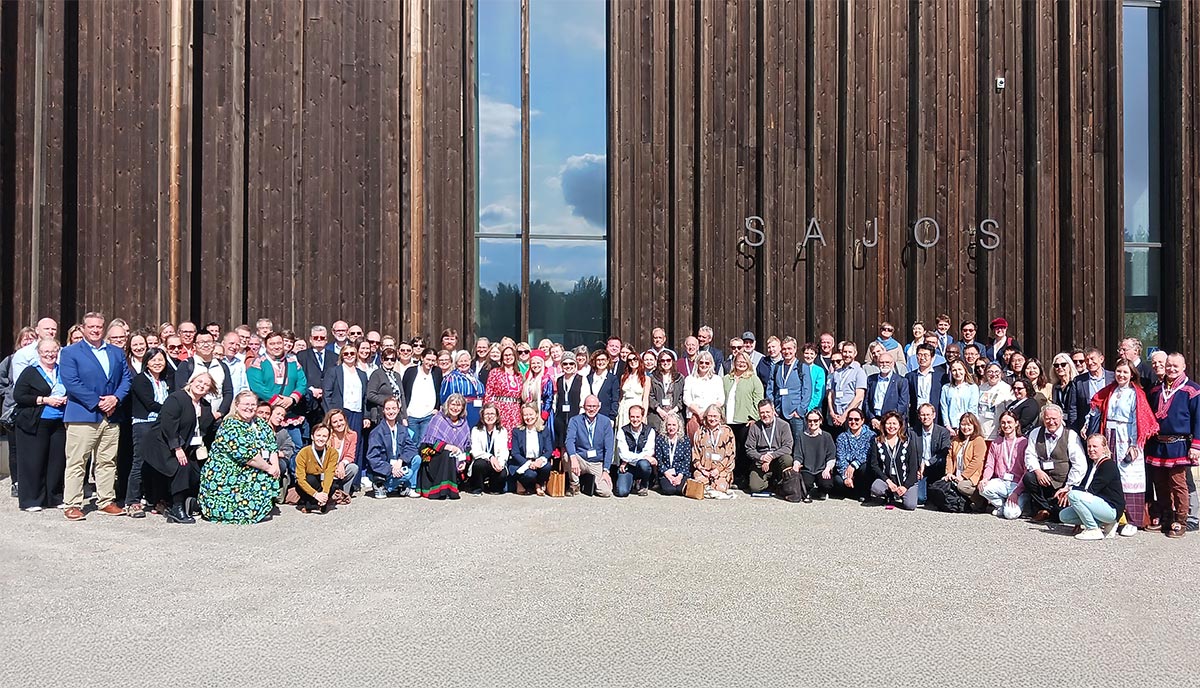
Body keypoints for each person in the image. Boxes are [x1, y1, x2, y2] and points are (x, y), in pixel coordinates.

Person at [58, 312, 133, 521]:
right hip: (83, 414)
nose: (95, 330)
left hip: (111, 415)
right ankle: (72, 503)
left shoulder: (116, 353)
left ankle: (106, 500)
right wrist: (98, 402)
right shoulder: (71, 352)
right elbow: (71, 382)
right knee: (77, 461)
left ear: (104, 328)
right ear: (83, 328)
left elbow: (126, 379)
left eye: (99, 326)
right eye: (91, 326)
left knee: (107, 460)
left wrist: (115, 399)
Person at [1087, 360, 1157, 536]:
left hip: (1127, 437)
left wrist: (1134, 444)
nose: (1121, 375)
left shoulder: (1136, 394)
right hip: (1109, 434)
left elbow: (1138, 419)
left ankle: (1132, 520)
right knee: (1109, 474)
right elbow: (1096, 405)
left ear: (1132, 374)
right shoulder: (1110, 390)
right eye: (1118, 371)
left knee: (1128, 477)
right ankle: (1112, 516)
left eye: (1125, 372)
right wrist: (1087, 423)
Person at [142, 374, 217, 524]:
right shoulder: (177, 398)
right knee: (182, 467)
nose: (201, 385)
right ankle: (177, 507)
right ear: (191, 381)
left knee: (198, 470)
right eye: (199, 381)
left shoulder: (205, 406)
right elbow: (168, 425)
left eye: (206, 384)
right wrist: (177, 448)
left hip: (188, 446)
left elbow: (207, 428)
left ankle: (191, 501)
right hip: (163, 444)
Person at [198, 391, 282, 524]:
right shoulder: (230, 425)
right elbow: (247, 456)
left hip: (255, 463)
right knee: (259, 473)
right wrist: (269, 468)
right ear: (237, 405)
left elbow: (271, 446)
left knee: (268, 471)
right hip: (228, 469)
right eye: (246, 404)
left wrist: (275, 465)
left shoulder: (260, 423)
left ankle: (259, 508)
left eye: (253, 404)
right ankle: (243, 511)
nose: (249, 407)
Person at [1144, 353, 1200, 538]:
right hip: (1158, 444)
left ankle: (1181, 520)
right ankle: (1166, 517)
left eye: (1175, 366)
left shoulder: (1192, 390)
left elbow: (1198, 420)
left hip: (1179, 444)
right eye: (1169, 365)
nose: (1171, 369)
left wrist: (1196, 446)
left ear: (1184, 367)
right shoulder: (1155, 391)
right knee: (1160, 484)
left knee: (1178, 484)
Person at [11, 338, 68, 511]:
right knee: (33, 461)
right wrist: (44, 400)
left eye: (53, 351)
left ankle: (54, 497)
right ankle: (31, 500)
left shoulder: (63, 371)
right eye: (46, 352)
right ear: (39, 353)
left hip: (58, 422)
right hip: (34, 422)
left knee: (56, 461)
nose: (50, 355)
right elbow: (19, 396)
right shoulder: (30, 372)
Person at [125, 347, 174, 517]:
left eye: (161, 360)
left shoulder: (167, 379)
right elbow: (149, 403)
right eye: (153, 360)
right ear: (147, 362)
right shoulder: (140, 380)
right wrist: (170, 410)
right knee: (140, 462)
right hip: (144, 424)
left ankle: (158, 500)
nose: (157, 363)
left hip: (162, 424)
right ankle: (132, 501)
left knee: (160, 463)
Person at [1022, 404, 1087, 523]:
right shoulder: (1035, 433)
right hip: (1044, 481)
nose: (1051, 422)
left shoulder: (1071, 435)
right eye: (1047, 418)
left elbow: (1080, 464)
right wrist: (1038, 471)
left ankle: (1052, 510)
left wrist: (1068, 487)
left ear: (1061, 418)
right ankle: (1044, 509)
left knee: (1060, 517)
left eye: (1054, 419)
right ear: (1043, 418)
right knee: (1029, 477)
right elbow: (1029, 455)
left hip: (1062, 483)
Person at [245, 331, 307, 446]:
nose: (276, 346)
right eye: (272, 344)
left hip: (289, 412)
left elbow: (302, 382)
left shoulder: (293, 361)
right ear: (265, 345)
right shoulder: (258, 363)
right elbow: (257, 386)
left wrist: (292, 399)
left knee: (296, 446)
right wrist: (275, 401)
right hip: (267, 413)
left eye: (279, 343)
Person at [1059, 435, 1126, 540]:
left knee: (1073, 495)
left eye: (1095, 446)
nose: (1091, 450)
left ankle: (1093, 529)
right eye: (1089, 447)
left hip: (1112, 509)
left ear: (1104, 448)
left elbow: (1091, 490)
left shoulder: (1108, 465)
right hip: (1098, 505)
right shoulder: (1093, 464)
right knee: (1064, 515)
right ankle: (1104, 524)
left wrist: (1069, 489)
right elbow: (1086, 488)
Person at [416, 393, 472, 500]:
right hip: (435, 457)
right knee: (448, 454)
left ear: (463, 407)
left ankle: (450, 488)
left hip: (456, 459)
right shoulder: (438, 418)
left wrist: (463, 460)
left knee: (452, 456)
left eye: (458, 405)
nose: (455, 408)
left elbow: (467, 445)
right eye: (453, 404)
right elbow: (430, 441)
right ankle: (442, 490)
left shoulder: (464, 422)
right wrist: (449, 447)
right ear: (448, 405)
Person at [323, 342, 370, 463]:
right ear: (342, 355)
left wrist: (366, 416)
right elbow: (327, 393)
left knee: (356, 444)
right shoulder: (334, 371)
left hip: (357, 413)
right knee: (339, 443)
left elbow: (365, 397)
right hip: (341, 412)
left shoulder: (362, 374)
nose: (349, 356)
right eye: (346, 353)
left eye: (352, 353)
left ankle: (355, 478)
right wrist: (331, 414)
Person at [722, 351, 764, 488]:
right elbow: (721, 399)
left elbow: (758, 400)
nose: (741, 364)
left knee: (743, 451)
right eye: (738, 361)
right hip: (728, 420)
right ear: (734, 362)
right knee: (729, 450)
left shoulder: (753, 379)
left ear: (748, 363)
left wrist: (753, 417)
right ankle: (730, 476)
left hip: (744, 421)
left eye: (744, 362)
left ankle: (743, 477)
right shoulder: (726, 379)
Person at [364, 397, 419, 498]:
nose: (391, 412)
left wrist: (401, 460)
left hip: (398, 463)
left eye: (394, 408)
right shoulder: (377, 432)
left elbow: (412, 448)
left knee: (417, 459)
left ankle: (409, 487)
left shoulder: (402, 429)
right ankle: (382, 486)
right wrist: (390, 469)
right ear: (383, 411)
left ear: (398, 410)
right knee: (408, 473)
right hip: (383, 468)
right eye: (388, 409)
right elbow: (373, 458)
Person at [978, 410, 1029, 519]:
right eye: (1003, 423)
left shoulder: (1024, 442)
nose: (1006, 425)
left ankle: (1021, 500)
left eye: (1009, 422)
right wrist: (985, 478)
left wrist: (1016, 492)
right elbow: (990, 464)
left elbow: (1026, 470)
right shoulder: (996, 442)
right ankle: (1001, 504)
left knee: (1010, 515)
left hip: (1017, 484)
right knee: (983, 488)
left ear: (1016, 423)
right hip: (1001, 482)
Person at [293, 424, 355, 514]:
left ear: (328, 438)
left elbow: (329, 473)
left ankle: (321, 502)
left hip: (323, 482)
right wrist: (316, 494)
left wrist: (325, 493)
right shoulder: (303, 453)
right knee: (309, 479)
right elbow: (300, 478)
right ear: (312, 436)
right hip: (308, 483)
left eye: (324, 436)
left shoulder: (333, 453)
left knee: (333, 485)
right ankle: (311, 502)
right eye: (318, 435)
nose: (321, 439)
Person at [175, 331, 234, 422]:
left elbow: (228, 392)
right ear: (194, 346)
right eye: (201, 342)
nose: (206, 345)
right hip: (193, 418)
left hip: (217, 418)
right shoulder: (187, 365)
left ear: (214, 344)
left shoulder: (222, 366)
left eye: (209, 342)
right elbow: (180, 391)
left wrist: (220, 412)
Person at [865, 411, 920, 510]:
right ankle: (889, 494)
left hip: (905, 479)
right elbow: (874, 465)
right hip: (887, 479)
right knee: (876, 488)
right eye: (888, 423)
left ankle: (901, 494)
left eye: (894, 423)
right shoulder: (877, 442)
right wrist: (888, 482)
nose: (891, 426)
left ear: (899, 425)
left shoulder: (907, 442)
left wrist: (905, 487)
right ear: (883, 425)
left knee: (910, 506)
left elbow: (913, 466)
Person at [565, 395, 617, 498]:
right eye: (589, 406)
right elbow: (569, 440)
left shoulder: (605, 422)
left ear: (599, 407)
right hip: (581, 459)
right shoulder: (575, 421)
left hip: (597, 462)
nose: (591, 409)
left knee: (606, 492)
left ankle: (588, 481)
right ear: (584, 407)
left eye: (594, 406)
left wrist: (606, 470)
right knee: (567, 456)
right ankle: (575, 484)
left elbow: (609, 448)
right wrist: (573, 458)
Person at [744, 398, 795, 498]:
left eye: (768, 411)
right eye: (762, 412)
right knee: (755, 488)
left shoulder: (784, 425)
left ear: (773, 410)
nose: (765, 415)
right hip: (761, 462)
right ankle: (771, 483)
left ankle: (781, 482)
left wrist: (771, 456)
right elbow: (749, 449)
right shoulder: (755, 427)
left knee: (788, 459)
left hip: (778, 459)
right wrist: (761, 458)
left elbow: (788, 447)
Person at [940, 411, 987, 506]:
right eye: (963, 424)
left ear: (975, 425)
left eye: (969, 425)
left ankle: (981, 500)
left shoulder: (979, 440)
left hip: (971, 477)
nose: (966, 428)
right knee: (942, 484)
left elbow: (976, 461)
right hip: (956, 474)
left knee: (962, 486)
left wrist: (963, 476)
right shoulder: (956, 440)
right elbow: (949, 457)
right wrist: (949, 473)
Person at [691, 404, 737, 499]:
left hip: (722, 471)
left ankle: (714, 488)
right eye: (710, 416)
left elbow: (730, 455)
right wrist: (702, 470)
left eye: (715, 416)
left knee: (720, 488)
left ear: (720, 417)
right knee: (699, 485)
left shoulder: (727, 431)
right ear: (706, 417)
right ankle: (709, 489)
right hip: (704, 471)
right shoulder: (700, 432)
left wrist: (717, 470)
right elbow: (695, 453)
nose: (712, 419)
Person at [909, 403, 951, 504]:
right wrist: (916, 468)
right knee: (920, 499)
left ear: (934, 415)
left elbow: (943, 453)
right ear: (919, 416)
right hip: (920, 470)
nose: (925, 417)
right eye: (923, 415)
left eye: (928, 414)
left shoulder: (943, 432)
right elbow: (910, 453)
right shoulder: (912, 432)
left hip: (936, 468)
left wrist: (927, 463)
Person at [464, 402, 510, 494]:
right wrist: (490, 457)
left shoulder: (502, 431)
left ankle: (493, 487)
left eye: (492, 414)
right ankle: (477, 488)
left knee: (502, 473)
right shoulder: (476, 430)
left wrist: (500, 463)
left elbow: (504, 450)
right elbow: (475, 451)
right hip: (483, 461)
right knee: (479, 464)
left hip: (496, 463)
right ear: (482, 416)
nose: (490, 416)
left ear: (497, 416)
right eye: (487, 414)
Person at [509, 403, 554, 496]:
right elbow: (515, 453)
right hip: (523, 462)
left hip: (537, 461)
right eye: (525, 415)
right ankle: (521, 483)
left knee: (547, 467)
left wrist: (540, 460)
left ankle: (539, 484)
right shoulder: (517, 431)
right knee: (530, 475)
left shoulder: (543, 430)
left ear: (536, 414)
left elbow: (549, 450)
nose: (528, 417)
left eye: (531, 414)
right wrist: (529, 463)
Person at [1067, 347, 1114, 432]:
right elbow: (1073, 408)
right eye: (1087, 360)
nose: (1090, 363)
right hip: (1087, 427)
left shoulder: (1113, 378)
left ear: (1101, 359)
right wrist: (1074, 430)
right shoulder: (1078, 381)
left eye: (1092, 359)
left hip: (1109, 425)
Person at [614, 404, 657, 497]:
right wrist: (626, 461)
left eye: (638, 417)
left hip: (638, 465)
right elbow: (624, 455)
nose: (635, 419)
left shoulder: (650, 431)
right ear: (629, 417)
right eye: (632, 416)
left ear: (642, 417)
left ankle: (644, 483)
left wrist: (627, 460)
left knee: (644, 464)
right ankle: (632, 481)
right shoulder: (622, 431)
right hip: (628, 466)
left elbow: (649, 451)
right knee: (622, 492)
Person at [404, 348, 445, 441]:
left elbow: (439, 391)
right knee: (412, 442)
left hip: (428, 415)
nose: (430, 363)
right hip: (411, 414)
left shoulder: (437, 372)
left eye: (433, 360)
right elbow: (404, 390)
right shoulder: (410, 371)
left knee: (424, 441)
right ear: (422, 358)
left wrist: (436, 407)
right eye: (428, 359)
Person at [864, 351, 910, 432]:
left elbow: (903, 403)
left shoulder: (901, 381)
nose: (884, 364)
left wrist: (888, 420)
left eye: (887, 362)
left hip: (892, 423)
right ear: (877, 363)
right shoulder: (871, 379)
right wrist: (872, 418)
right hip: (875, 422)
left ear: (892, 364)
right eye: (881, 362)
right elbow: (866, 401)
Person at [834, 408, 875, 499]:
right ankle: (851, 490)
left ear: (862, 420)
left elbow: (867, 454)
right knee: (838, 481)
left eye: (857, 419)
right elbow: (840, 457)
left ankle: (863, 492)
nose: (853, 422)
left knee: (864, 468)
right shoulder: (842, 437)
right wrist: (846, 477)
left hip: (861, 469)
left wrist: (854, 465)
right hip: (847, 470)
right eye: (850, 419)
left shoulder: (871, 435)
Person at [798, 409, 838, 501]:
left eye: (815, 420)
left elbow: (831, 456)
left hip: (822, 469)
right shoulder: (801, 436)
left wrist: (828, 469)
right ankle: (808, 491)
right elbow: (798, 454)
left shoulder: (827, 436)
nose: (812, 423)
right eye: (810, 421)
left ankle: (822, 491)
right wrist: (796, 464)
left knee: (826, 484)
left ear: (820, 421)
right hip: (807, 469)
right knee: (806, 483)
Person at [827, 342, 867, 432]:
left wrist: (845, 416)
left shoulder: (859, 372)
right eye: (845, 352)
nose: (847, 355)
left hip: (851, 418)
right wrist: (832, 413)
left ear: (855, 353)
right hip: (837, 416)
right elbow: (831, 394)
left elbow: (859, 397)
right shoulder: (837, 372)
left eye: (850, 352)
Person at [366, 347, 410, 429]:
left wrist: (404, 417)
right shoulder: (377, 374)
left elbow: (401, 396)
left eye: (392, 359)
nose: (389, 362)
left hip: (397, 414)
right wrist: (388, 402)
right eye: (387, 359)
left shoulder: (397, 375)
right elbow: (370, 395)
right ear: (382, 360)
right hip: (382, 414)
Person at [682, 351, 724, 436]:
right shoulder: (689, 379)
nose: (704, 365)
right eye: (701, 362)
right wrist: (699, 413)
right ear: (697, 363)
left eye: (707, 363)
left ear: (711, 364)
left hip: (713, 418)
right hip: (695, 417)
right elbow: (687, 399)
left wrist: (709, 414)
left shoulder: (717, 379)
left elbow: (721, 399)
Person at [482, 345, 521, 432]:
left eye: (511, 355)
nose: (508, 357)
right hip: (500, 410)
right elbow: (488, 393)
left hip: (515, 411)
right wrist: (488, 412)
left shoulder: (519, 375)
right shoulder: (495, 372)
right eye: (506, 355)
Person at [443, 351, 486, 428]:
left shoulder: (473, 375)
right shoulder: (451, 377)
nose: (464, 363)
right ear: (456, 363)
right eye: (461, 361)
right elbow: (445, 398)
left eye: (466, 361)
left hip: (478, 409)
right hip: (464, 411)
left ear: (470, 361)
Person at [905, 343, 945, 427]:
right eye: (919, 355)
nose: (922, 358)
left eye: (926, 355)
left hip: (935, 417)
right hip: (916, 417)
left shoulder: (941, 376)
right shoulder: (910, 376)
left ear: (932, 357)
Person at [654, 413, 692, 496]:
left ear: (678, 426)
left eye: (674, 425)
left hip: (680, 472)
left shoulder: (685, 440)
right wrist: (668, 475)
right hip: (666, 472)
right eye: (669, 425)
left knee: (679, 490)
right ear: (665, 426)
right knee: (669, 490)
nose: (671, 428)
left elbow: (687, 460)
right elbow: (659, 459)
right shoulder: (660, 439)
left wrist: (679, 476)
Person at [553, 355, 586, 449]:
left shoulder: (581, 379)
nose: (568, 366)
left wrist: (581, 416)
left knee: (574, 445)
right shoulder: (558, 379)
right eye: (565, 364)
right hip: (561, 418)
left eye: (571, 363)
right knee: (562, 447)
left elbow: (584, 398)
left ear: (575, 365)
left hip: (576, 416)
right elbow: (556, 398)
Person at [647, 350, 684, 434]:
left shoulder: (680, 378)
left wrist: (674, 410)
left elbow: (682, 396)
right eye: (663, 360)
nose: (665, 363)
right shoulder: (653, 377)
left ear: (672, 361)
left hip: (675, 413)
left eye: (668, 360)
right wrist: (659, 410)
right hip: (657, 414)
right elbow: (650, 396)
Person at [939, 360, 979, 434]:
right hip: (951, 428)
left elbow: (972, 408)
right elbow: (944, 408)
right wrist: (948, 426)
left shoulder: (972, 387)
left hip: (967, 427)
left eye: (960, 369)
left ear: (964, 370)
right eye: (954, 370)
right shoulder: (946, 388)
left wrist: (964, 425)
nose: (957, 373)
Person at [977, 362, 1014, 440]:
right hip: (982, 430)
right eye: (990, 372)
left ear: (1001, 373)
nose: (993, 374)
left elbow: (1010, 411)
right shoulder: (980, 388)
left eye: (997, 372)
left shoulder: (1007, 389)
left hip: (997, 430)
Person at [521, 350, 555, 433]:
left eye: (538, 363)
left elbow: (549, 398)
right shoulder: (527, 379)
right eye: (533, 363)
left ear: (542, 364)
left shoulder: (546, 379)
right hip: (529, 412)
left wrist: (544, 416)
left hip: (541, 411)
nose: (536, 365)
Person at [616, 353, 651, 428]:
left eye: (635, 359)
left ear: (639, 361)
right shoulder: (623, 377)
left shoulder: (646, 379)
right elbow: (621, 396)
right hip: (624, 407)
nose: (632, 361)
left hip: (638, 407)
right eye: (630, 360)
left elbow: (645, 399)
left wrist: (644, 416)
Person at [584, 350, 620, 420]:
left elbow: (615, 400)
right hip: (589, 416)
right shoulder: (588, 378)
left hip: (606, 416)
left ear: (607, 361)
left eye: (603, 360)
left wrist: (612, 417)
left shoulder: (613, 379)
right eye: (598, 360)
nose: (601, 362)